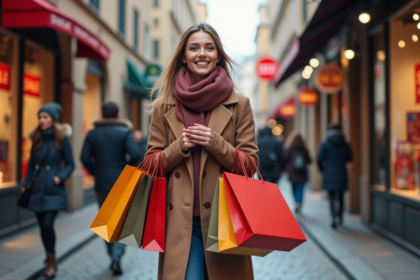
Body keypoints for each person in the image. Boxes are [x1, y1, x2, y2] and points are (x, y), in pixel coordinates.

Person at [145, 23, 259, 280]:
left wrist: (215, 142)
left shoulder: (239, 104)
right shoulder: (164, 105)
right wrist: (180, 146)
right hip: (180, 224)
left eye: (209, 48)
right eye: (194, 48)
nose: (202, 54)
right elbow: (151, 165)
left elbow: (250, 164)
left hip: (226, 221)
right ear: (184, 56)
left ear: (218, 55)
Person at [80, 101, 141, 275]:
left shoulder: (92, 133)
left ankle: (111, 255)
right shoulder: (124, 132)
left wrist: (95, 171)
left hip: (101, 182)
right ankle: (117, 256)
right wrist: (127, 171)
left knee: (106, 222)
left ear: (103, 115)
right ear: (118, 115)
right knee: (120, 221)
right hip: (121, 182)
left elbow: (84, 157)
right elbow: (135, 153)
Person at [20, 102, 74, 279]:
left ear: (53, 119)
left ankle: (51, 261)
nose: (41, 121)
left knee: (47, 224)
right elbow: (30, 165)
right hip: (36, 189)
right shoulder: (36, 137)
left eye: (45, 117)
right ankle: (49, 255)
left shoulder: (62, 139)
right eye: (40, 117)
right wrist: (25, 183)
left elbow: (71, 164)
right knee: (42, 227)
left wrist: (60, 177)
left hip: (54, 189)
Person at [317, 123, 353, 229]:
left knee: (332, 197)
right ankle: (340, 218)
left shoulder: (325, 143)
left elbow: (319, 159)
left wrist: (323, 170)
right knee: (341, 196)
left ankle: (333, 218)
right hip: (341, 172)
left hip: (329, 173)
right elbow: (350, 158)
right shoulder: (345, 143)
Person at [285, 133, 312, 213]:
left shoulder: (289, 149)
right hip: (302, 173)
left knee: (293, 189)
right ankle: (298, 203)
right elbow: (309, 161)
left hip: (292, 173)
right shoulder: (304, 149)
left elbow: (285, 159)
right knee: (300, 190)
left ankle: (296, 203)